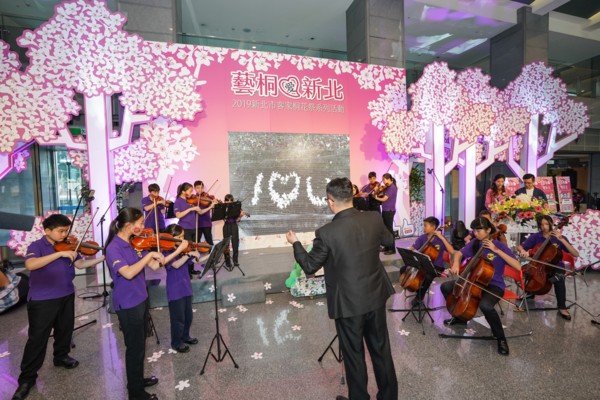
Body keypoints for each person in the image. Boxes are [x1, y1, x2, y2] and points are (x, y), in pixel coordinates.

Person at [286, 177, 397, 400]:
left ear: (330, 201)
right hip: (375, 296)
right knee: (381, 350)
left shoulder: (326, 233)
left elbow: (309, 265)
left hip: (348, 303)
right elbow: (389, 242)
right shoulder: (373, 218)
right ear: (352, 196)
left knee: (354, 356)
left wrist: (295, 243)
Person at [12, 214, 105, 400]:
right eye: (61, 231)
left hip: (67, 294)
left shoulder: (68, 245)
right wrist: (58, 254)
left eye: (66, 231)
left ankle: (61, 356)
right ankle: (27, 379)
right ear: (47, 231)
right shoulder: (37, 246)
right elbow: (31, 264)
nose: (65, 235)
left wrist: (102, 258)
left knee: (65, 330)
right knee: (37, 339)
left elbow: (80, 263)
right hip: (42, 299)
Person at [105, 207, 186, 400]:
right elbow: (128, 273)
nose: (143, 227)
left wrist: (177, 250)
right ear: (128, 225)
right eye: (140, 223)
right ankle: (136, 393)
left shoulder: (134, 243)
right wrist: (149, 255)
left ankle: (137, 380)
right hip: (128, 304)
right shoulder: (113, 248)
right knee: (134, 349)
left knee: (140, 346)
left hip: (141, 299)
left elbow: (156, 265)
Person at [441, 217, 521, 356]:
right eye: (474, 231)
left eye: (479, 231)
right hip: (473, 281)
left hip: (494, 285)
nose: (475, 234)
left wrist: (497, 250)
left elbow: (518, 266)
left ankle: (501, 339)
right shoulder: (475, 243)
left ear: (488, 230)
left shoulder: (499, 245)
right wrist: (455, 263)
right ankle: (460, 318)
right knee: (446, 287)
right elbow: (459, 253)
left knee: (486, 306)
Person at [516, 215, 579, 321]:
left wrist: (561, 239)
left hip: (555, 265)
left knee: (559, 278)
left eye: (546, 224)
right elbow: (520, 246)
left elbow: (575, 254)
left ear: (551, 223)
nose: (544, 227)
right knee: (528, 273)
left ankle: (562, 307)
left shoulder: (559, 237)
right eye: (541, 224)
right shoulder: (536, 236)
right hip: (538, 265)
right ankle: (530, 292)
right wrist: (522, 250)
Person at [162, 224, 202, 353]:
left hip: (186, 287)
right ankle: (176, 342)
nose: (183, 240)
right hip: (175, 289)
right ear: (170, 237)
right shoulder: (166, 251)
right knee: (178, 319)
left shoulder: (183, 251)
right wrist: (187, 254)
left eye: (183, 236)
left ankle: (185, 336)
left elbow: (194, 261)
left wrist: (198, 255)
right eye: (179, 237)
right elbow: (176, 264)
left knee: (188, 316)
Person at [405, 216, 454, 307]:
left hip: (436, 266)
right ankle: (417, 289)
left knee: (427, 276)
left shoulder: (440, 239)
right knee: (404, 269)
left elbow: (452, 251)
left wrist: (442, 238)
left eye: (425, 226)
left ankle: (419, 297)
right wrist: (408, 250)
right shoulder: (422, 238)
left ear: (433, 227)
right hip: (423, 264)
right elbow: (413, 247)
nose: (423, 228)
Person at [173, 182, 214, 275]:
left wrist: (210, 207)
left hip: (193, 228)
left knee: (192, 250)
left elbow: (200, 212)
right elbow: (178, 215)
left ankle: (191, 269)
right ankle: (187, 272)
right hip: (185, 228)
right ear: (183, 191)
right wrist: (190, 209)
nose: (192, 193)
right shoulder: (178, 201)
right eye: (190, 191)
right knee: (186, 250)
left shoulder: (191, 201)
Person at [222, 194, 249, 268]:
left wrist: (240, 216)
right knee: (226, 245)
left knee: (235, 243)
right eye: (227, 201)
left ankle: (235, 260)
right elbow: (223, 218)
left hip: (234, 225)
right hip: (226, 226)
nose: (229, 202)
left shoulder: (235, 208)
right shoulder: (223, 208)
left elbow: (237, 220)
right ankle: (227, 261)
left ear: (233, 201)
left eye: (230, 201)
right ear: (225, 201)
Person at [375, 173, 398, 255]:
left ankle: (392, 249)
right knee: (386, 230)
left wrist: (376, 197)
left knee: (389, 230)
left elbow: (384, 199)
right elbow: (382, 194)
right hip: (385, 210)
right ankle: (387, 247)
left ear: (389, 179)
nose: (383, 181)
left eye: (384, 179)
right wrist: (377, 190)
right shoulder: (388, 187)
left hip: (389, 211)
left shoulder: (392, 187)